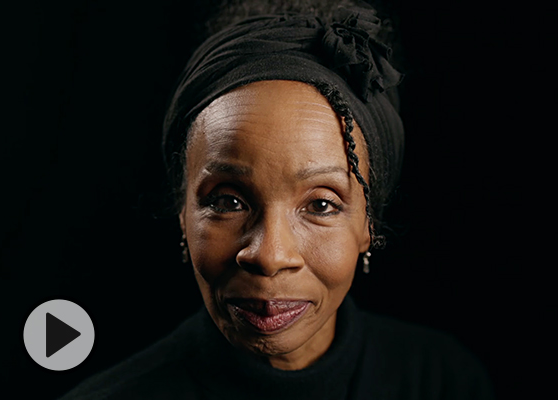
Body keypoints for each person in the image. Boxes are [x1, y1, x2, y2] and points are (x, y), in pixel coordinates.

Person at [58, 1, 494, 399]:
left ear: (368, 225)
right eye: (228, 201)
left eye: (321, 205)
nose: (269, 255)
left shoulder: (444, 381)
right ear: (182, 215)